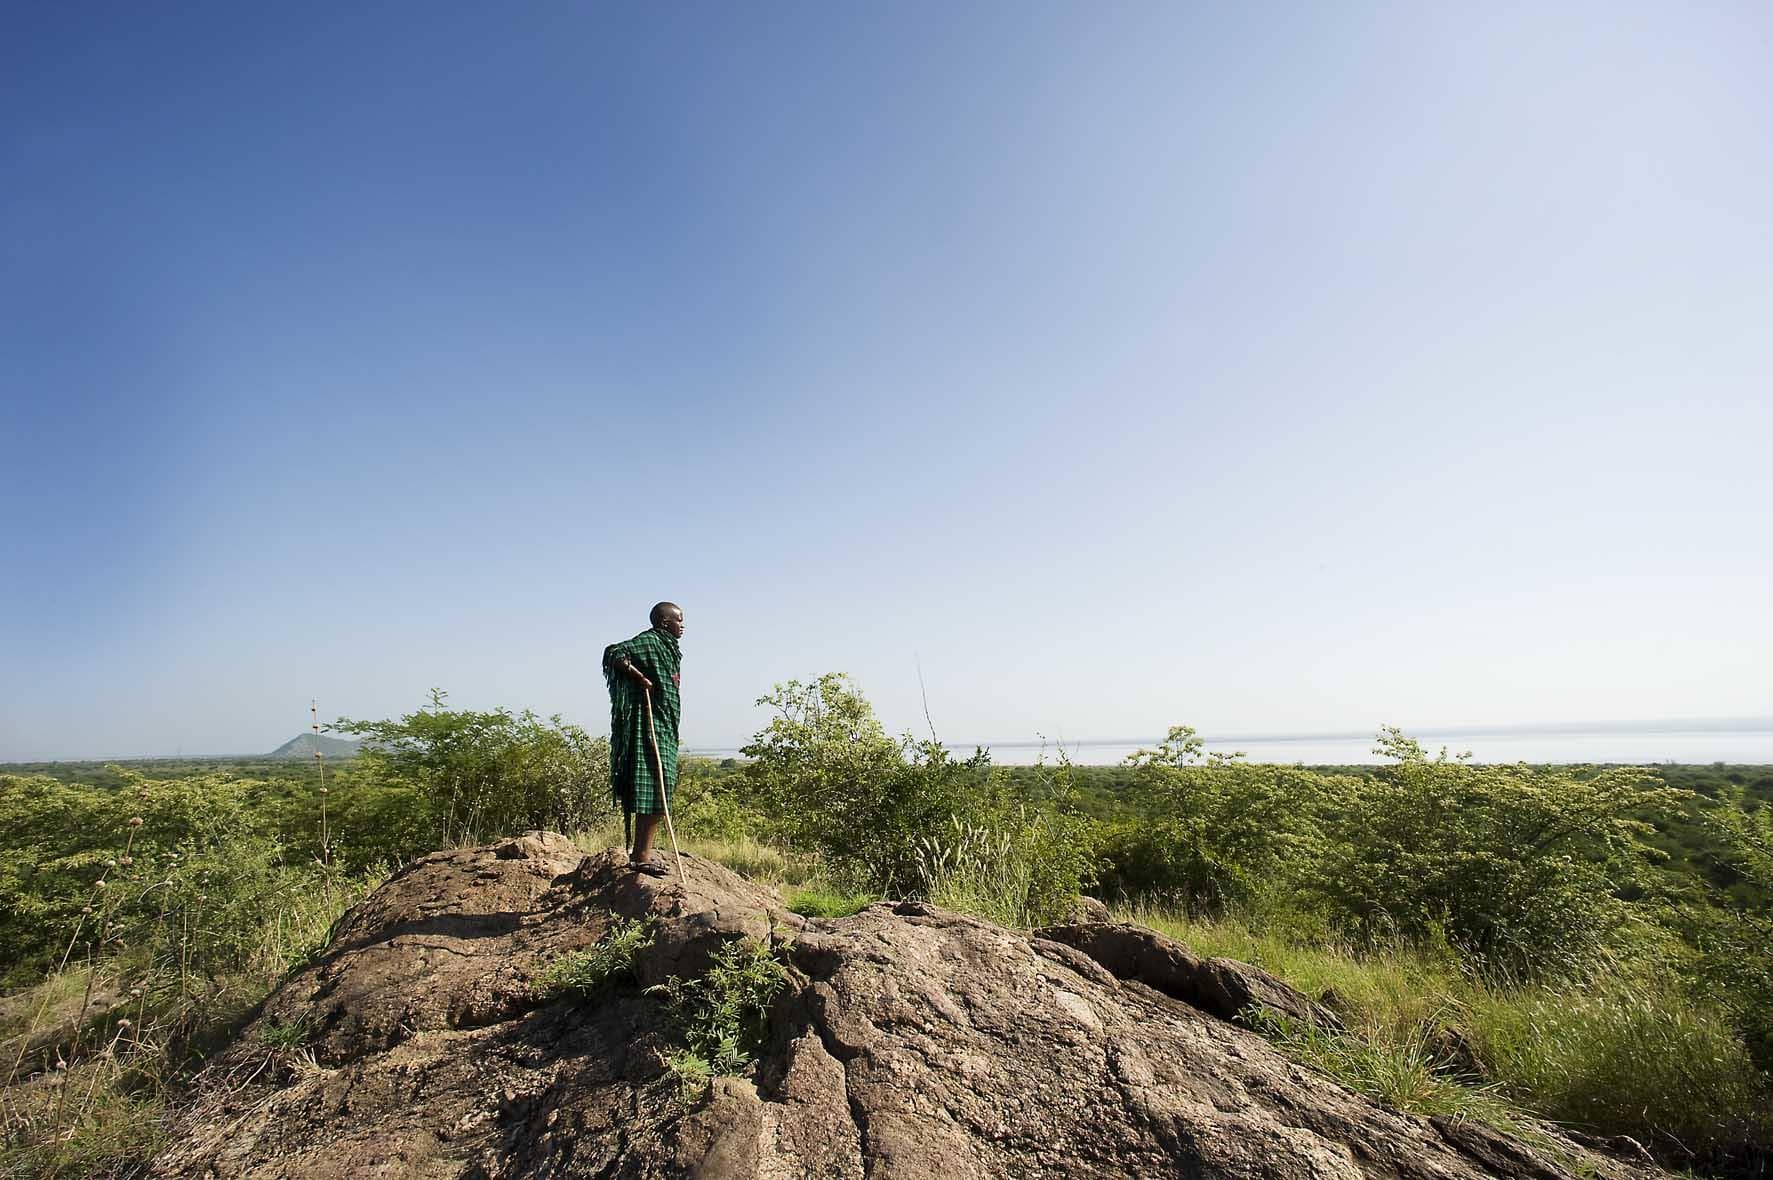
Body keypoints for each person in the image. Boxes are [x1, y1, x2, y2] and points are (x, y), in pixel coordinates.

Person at [603, 602, 685, 875]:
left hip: (664, 724)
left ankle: (641, 854)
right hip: (649, 727)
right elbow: (614, 653)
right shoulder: (649, 641)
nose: (682, 626)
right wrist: (640, 678)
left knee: (662, 786)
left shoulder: (669, 648)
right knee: (654, 787)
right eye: (678, 620)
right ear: (664, 622)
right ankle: (640, 856)